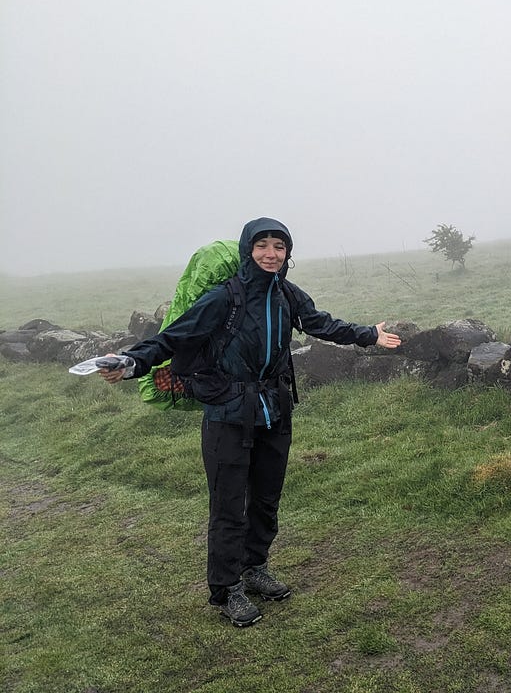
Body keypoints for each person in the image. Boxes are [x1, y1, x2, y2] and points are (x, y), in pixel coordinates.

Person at [100, 217, 401, 627]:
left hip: (274, 410)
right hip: (228, 414)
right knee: (228, 507)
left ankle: (254, 567)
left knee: (264, 499)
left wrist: (368, 335)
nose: (271, 254)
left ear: (287, 253)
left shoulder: (286, 295)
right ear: (248, 249)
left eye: (279, 246)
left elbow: (320, 323)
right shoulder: (224, 298)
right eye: (263, 245)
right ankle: (226, 589)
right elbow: (175, 338)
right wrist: (133, 362)